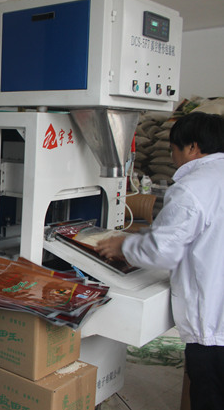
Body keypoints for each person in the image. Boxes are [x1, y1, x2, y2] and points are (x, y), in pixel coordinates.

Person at [95, 111, 224, 410]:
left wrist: (123, 245)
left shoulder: (193, 187)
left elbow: (162, 251)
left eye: (173, 149)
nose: (173, 157)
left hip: (214, 332)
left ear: (192, 147)